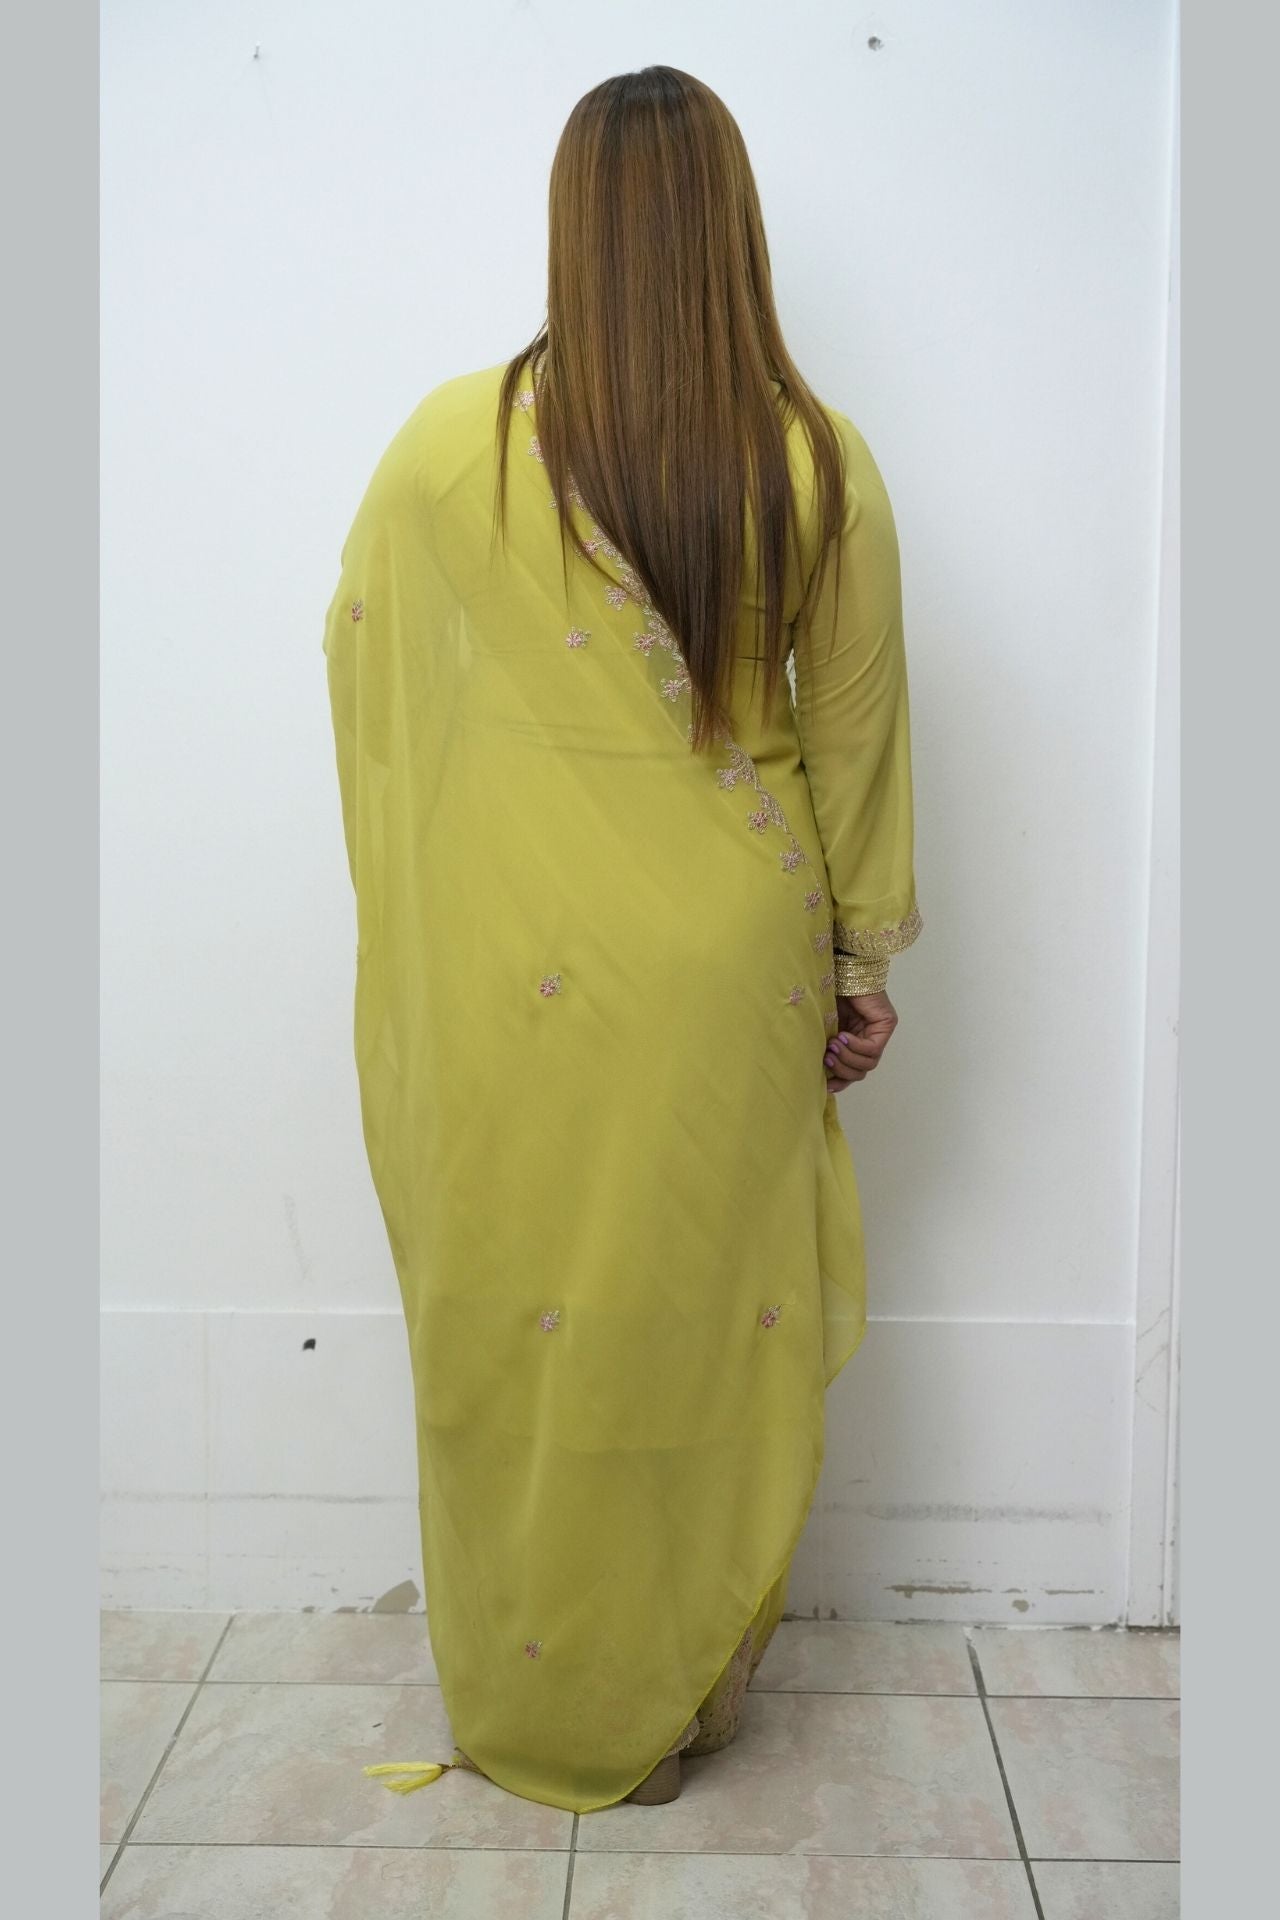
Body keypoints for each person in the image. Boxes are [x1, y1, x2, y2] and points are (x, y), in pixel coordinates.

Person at [323, 63, 922, 1815]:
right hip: (734, 962)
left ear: (573, 229)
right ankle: (685, 1702)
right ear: (733, 229)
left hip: (523, 968)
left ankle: (561, 1695)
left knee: (536, 1313)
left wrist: (474, 866)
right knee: (702, 1318)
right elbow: (858, 731)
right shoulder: (817, 458)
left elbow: (365, 664)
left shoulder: (451, 449)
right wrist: (861, 962)